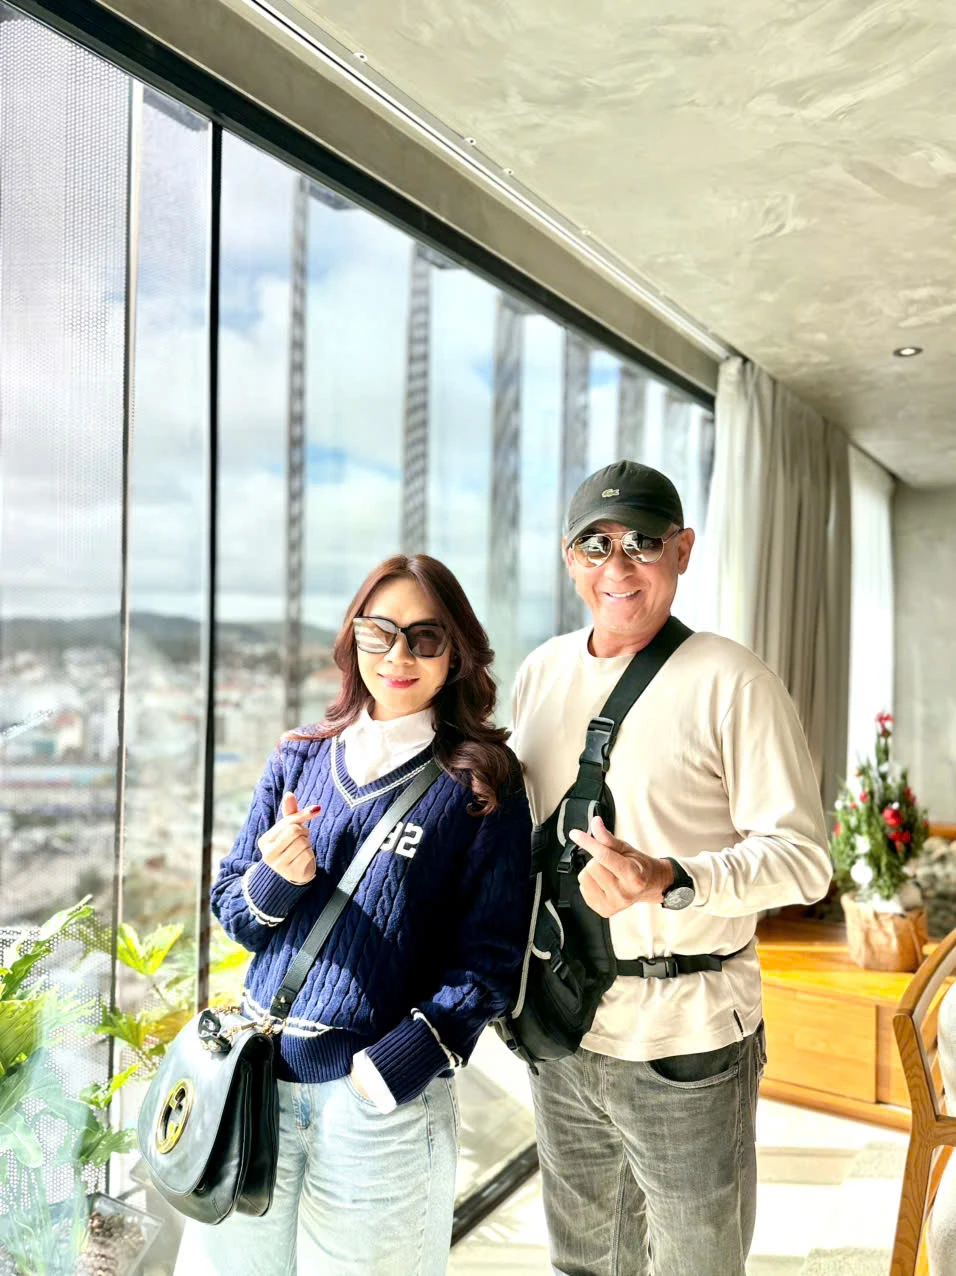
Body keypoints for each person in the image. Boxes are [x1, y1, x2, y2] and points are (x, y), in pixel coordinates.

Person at [510, 460, 833, 1276]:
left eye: (643, 543)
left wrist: (673, 878)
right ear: (570, 558)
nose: (617, 566)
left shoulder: (734, 680)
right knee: (585, 1263)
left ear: (683, 551)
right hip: (565, 1031)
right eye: (596, 544)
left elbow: (804, 863)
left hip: (686, 1043)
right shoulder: (540, 673)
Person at [176, 554, 533, 1276]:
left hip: (378, 1107)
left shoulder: (480, 783)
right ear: (355, 639)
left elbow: (491, 959)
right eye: (380, 633)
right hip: (256, 1085)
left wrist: (393, 1070)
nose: (398, 656)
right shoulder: (301, 756)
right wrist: (276, 880)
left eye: (425, 638)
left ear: (456, 653)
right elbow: (233, 911)